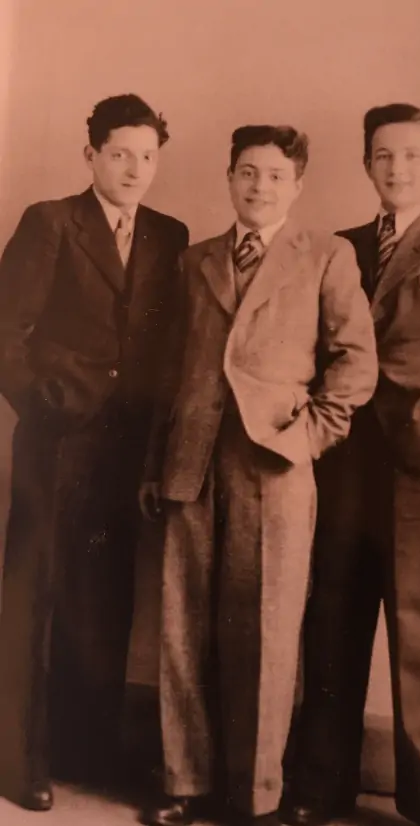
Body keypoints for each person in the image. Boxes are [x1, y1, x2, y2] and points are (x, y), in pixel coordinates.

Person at [139, 124, 378, 826]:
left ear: (297, 184)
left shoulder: (326, 256)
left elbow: (355, 364)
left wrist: (307, 439)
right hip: (192, 463)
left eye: (275, 174)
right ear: (230, 177)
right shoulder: (196, 260)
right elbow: (168, 375)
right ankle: (186, 784)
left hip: (274, 466)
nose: (259, 186)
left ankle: (256, 797)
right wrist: (158, 465)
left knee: (268, 632)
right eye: (247, 171)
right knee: (182, 630)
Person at [283, 103, 420, 826]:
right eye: (383, 156)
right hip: (345, 466)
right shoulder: (341, 246)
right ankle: (319, 791)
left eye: (410, 156)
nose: (396, 169)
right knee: (332, 623)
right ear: (367, 163)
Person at [0, 93, 188, 811]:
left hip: (123, 454)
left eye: (147, 156)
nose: (135, 168)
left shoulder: (169, 235)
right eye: (120, 154)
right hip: (57, 446)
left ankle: (89, 751)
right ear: (91, 155)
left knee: (105, 604)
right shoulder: (51, 223)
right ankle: (20, 763)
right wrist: (46, 407)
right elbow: (5, 335)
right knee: (38, 595)